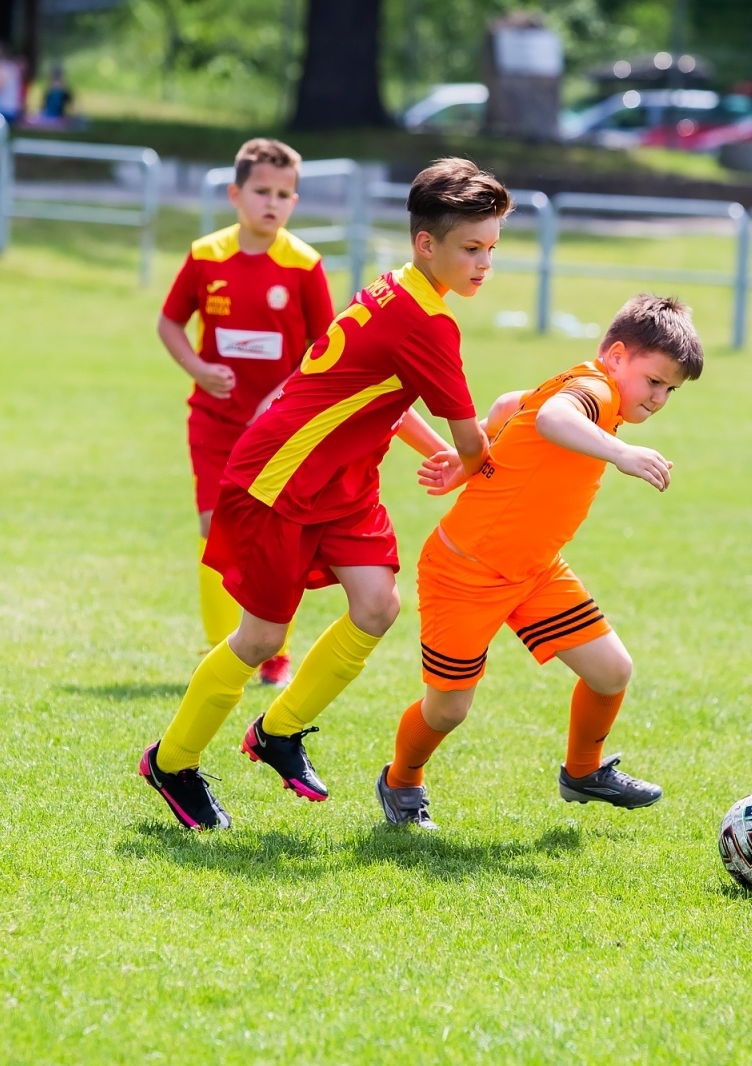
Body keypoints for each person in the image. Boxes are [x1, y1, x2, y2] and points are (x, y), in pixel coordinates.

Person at [139, 158, 510, 831]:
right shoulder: (427, 323)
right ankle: (173, 762)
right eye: (472, 249)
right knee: (258, 638)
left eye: (492, 248)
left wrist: (451, 459)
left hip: (340, 481)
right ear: (427, 244)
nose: (485, 263)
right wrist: (475, 461)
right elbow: (472, 439)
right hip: (280, 477)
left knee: (376, 604)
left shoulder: (399, 288)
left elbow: (388, 404)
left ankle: (278, 731)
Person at [375, 295, 704, 829]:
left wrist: (468, 463)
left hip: (532, 570)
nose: (661, 398)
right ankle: (401, 780)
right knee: (448, 710)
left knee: (611, 670)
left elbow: (511, 406)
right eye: (654, 381)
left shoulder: (592, 387)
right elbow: (550, 416)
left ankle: (582, 773)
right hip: (465, 572)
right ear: (617, 356)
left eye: (671, 389)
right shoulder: (594, 391)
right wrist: (620, 454)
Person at [158, 138, 336, 686]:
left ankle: (272, 648)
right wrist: (197, 368)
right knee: (215, 528)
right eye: (261, 191)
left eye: (284, 194)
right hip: (213, 420)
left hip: (279, 432)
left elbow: (325, 349)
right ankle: (223, 648)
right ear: (235, 194)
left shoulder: (305, 265)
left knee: (271, 539)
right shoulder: (206, 255)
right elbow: (169, 323)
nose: (272, 202)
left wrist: (282, 394)